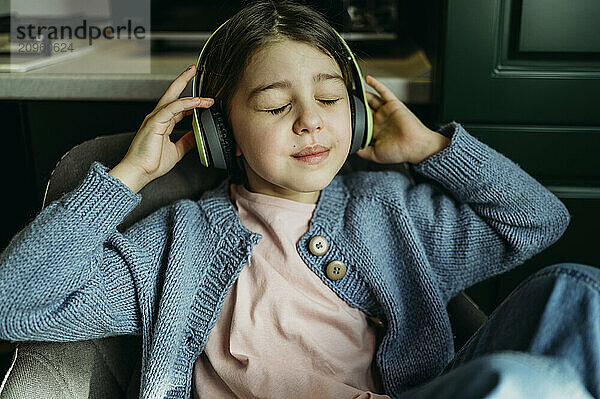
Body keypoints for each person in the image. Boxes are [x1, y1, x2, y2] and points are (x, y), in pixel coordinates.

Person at [0, 1, 598, 398]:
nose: (310, 122)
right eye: (275, 106)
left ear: (359, 116)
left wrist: (432, 148)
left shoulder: (392, 212)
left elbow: (536, 219)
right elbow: (14, 302)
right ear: (221, 133)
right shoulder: (176, 243)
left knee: (577, 290)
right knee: (517, 382)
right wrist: (128, 176)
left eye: (331, 99)